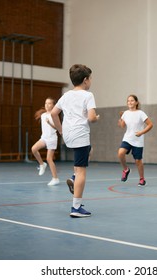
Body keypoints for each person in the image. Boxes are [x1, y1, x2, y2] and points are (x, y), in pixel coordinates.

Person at [51, 64, 99, 217]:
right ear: (85, 80)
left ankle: (73, 178)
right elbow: (91, 118)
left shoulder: (66, 95)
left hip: (69, 135)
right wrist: (95, 118)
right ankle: (76, 208)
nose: (91, 81)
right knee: (81, 171)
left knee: (88, 151)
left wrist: (60, 130)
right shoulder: (88, 95)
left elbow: (53, 113)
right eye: (90, 78)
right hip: (80, 134)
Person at [117, 94, 153, 186]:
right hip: (128, 138)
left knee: (138, 161)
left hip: (138, 140)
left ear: (136, 102)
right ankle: (126, 169)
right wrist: (120, 119)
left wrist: (141, 132)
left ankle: (142, 179)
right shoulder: (125, 113)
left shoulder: (141, 113)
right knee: (120, 153)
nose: (130, 102)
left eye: (132, 100)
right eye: (128, 101)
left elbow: (150, 125)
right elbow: (122, 126)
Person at [32, 97, 60, 186]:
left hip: (52, 139)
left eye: (49, 103)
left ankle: (55, 178)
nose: (47, 105)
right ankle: (42, 164)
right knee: (34, 149)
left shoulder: (54, 115)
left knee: (49, 159)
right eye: (45, 103)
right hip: (44, 138)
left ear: (53, 105)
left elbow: (58, 127)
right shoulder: (43, 115)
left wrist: (49, 123)